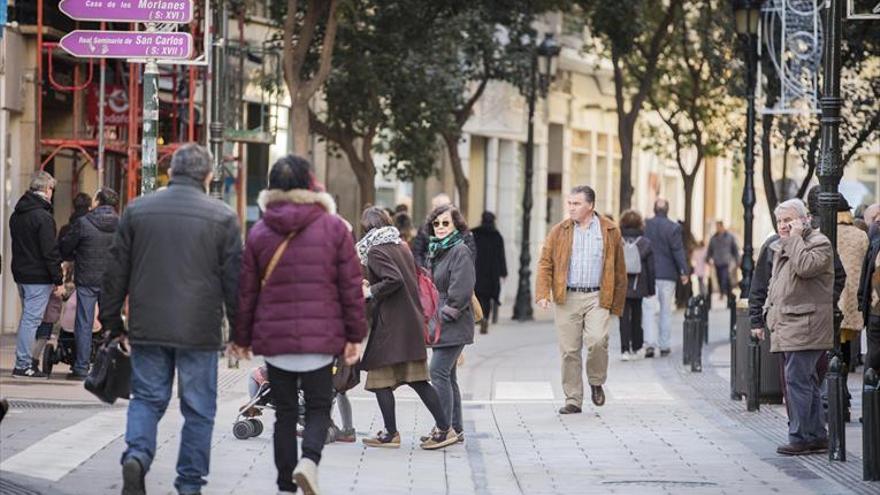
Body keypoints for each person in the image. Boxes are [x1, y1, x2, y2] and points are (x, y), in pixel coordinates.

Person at [101, 144, 242, 495]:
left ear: (173, 170)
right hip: (200, 328)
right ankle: (189, 483)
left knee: (147, 398)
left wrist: (112, 321)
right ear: (208, 176)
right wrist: (241, 330)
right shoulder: (223, 217)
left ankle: (137, 455)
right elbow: (235, 283)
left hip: (148, 324)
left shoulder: (137, 211)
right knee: (199, 409)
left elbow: (116, 271)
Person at [233, 154, 366, 495]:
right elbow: (350, 287)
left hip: (276, 343)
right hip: (321, 341)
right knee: (320, 406)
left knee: (285, 414)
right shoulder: (334, 227)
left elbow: (246, 291)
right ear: (311, 185)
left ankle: (283, 485)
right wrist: (354, 335)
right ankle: (309, 460)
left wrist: (242, 337)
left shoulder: (260, 231)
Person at [356, 207, 458, 450]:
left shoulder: (375, 249)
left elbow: (394, 280)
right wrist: (374, 282)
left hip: (391, 326)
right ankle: (444, 428)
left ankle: (396, 434)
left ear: (368, 228)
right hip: (408, 323)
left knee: (380, 379)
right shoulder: (400, 245)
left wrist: (369, 291)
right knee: (417, 379)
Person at [535, 186, 627, 414]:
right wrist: (542, 294)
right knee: (569, 350)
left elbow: (619, 270)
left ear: (590, 206)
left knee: (597, 340)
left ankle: (596, 381)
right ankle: (573, 399)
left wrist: (617, 305)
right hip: (567, 297)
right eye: (570, 203)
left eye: (576, 204)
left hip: (598, 295)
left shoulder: (610, 230)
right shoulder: (559, 231)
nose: (571, 208)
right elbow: (545, 262)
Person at [754, 199, 833, 456]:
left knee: (797, 381)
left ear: (804, 219)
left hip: (806, 324)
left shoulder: (819, 243)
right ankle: (817, 435)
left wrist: (795, 238)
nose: (783, 226)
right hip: (789, 324)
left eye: (789, 220)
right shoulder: (781, 246)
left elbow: (805, 267)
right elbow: (775, 285)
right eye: (780, 221)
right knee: (804, 381)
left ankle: (800, 437)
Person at [425, 204, 476, 440]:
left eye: (446, 222)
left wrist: (445, 315)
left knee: (438, 372)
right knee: (448, 375)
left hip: (453, 321)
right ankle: (455, 428)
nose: (441, 227)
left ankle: (444, 429)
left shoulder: (459, 250)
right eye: (437, 223)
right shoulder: (437, 250)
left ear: (456, 224)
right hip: (442, 320)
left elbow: (462, 291)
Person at [59, 187, 120, 380]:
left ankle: (81, 367)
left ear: (98, 201)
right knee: (110, 323)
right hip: (111, 280)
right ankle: (109, 367)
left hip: (87, 279)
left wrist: (74, 256)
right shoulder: (122, 223)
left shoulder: (83, 223)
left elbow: (66, 246)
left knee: (84, 323)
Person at [9, 171, 62, 378]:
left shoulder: (17, 214)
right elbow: (49, 251)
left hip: (21, 273)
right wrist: (57, 278)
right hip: (38, 276)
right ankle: (23, 364)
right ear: (46, 189)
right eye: (51, 189)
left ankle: (24, 362)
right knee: (31, 321)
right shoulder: (43, 217)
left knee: (27, 319)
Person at [642, 199, 689, 358]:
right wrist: (683, 271)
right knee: (665, 311)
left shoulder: (646, 225)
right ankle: (664, 345)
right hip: (668, 275)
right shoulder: (674, 227)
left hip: (649, 273)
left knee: (648, 310)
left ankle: (649, 344)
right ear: (667, 210)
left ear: (654, 209)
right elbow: (678, 250)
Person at [835, 199, 868, 378]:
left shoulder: (823, 233)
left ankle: (833, 387)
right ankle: (843, 385)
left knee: (832, 344)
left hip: (831, 296)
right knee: (846, 344)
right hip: (852, 298)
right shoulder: (860, 235)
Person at [618, 209, 655, 360]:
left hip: (621, 285)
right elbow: (651, 268)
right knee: (637, 316)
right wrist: (651, 289)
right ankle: (637, 346)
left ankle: (625, 349)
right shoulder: (645, 243)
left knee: (623, 318)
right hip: (639, 285)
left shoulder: (617, 240)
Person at [412, 193, 476, 268]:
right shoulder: (425, 227)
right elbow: (417, 253)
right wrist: (424, 270)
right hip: (430, 274)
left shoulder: (460, 228)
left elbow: (469, 254)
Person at [472, 211, 507, 334]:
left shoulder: (475, 234)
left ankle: (478, 318)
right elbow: (501, 256)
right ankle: (485, 318)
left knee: (477, 296)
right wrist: (503, 272)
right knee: (487, 298)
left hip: (477, 270)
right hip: (492, 273)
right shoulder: (496, 236)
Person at [858, 203, 880, 371]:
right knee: (872, 363)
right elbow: (866, 275)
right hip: (875, 313)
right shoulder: (874, 244)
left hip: (874, 313)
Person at [706, 220, 740, 300]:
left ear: (722, 226)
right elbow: (710, 249)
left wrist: (737, 260)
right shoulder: (713, 238)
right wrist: (708, 258)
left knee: (725, 277)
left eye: (718, 226)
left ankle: (724, 293)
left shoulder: (730, 237)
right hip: (717, 262)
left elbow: (735, 249)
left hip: (726, 261)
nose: (717, 228)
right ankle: (728, 293)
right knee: (720, 278)